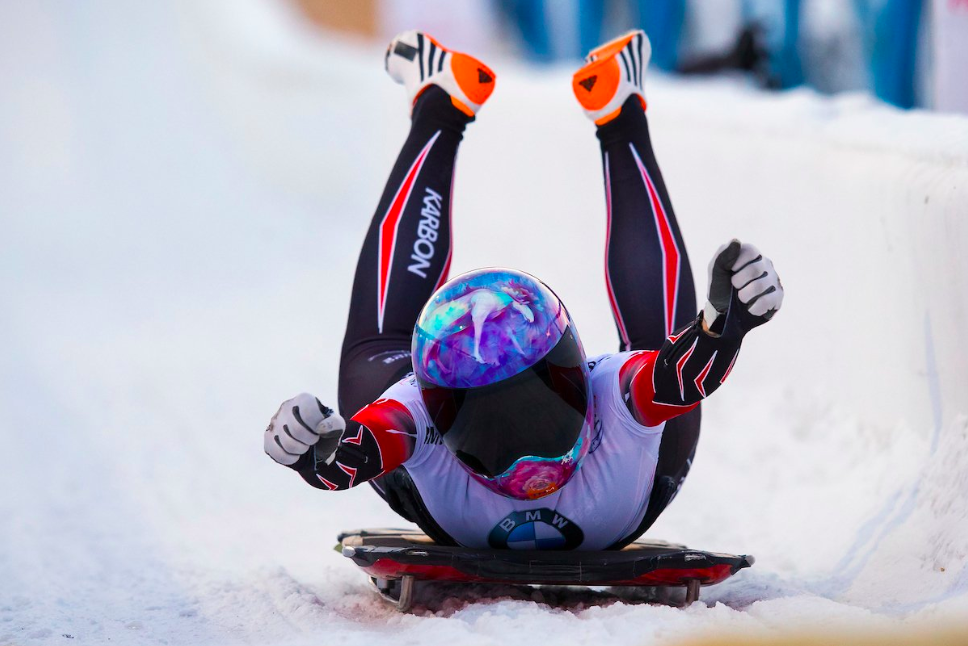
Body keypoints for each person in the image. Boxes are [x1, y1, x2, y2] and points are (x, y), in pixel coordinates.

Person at [263, 29, 783, 550]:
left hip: (510, 505)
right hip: (626, 503)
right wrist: (318, 450)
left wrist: (722, 325)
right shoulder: (415, 410)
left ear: (580, 375)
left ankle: (440, 106)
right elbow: (356, 451)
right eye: (485, 424)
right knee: (663, 369)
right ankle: (618, 111)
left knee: (374, 355)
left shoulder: (613, 391)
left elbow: (675, 375)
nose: (525, 460)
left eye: (539, 405)